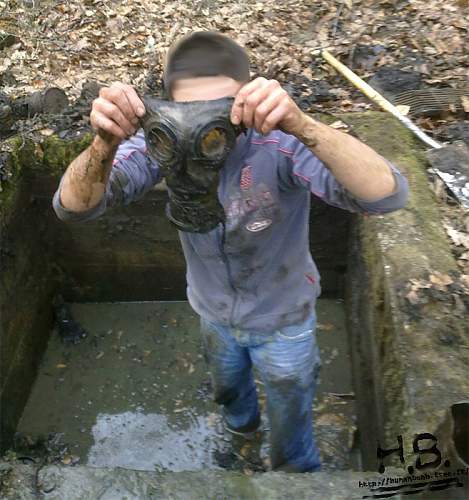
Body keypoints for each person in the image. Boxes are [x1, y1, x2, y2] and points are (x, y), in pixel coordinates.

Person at [52, 31, 409, 473]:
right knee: (230, 397)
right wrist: (103, 142)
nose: (203, 130)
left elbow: (387, 196)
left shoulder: (278, 144)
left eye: (220, 115)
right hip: (214, 312)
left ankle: (296, 471)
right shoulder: (159, 146)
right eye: (189, 114)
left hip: (285, 318)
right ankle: (242, 436)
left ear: (245, 102)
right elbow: (73, 208)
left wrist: (302, 124)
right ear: (168, 110)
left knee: (291, 409)